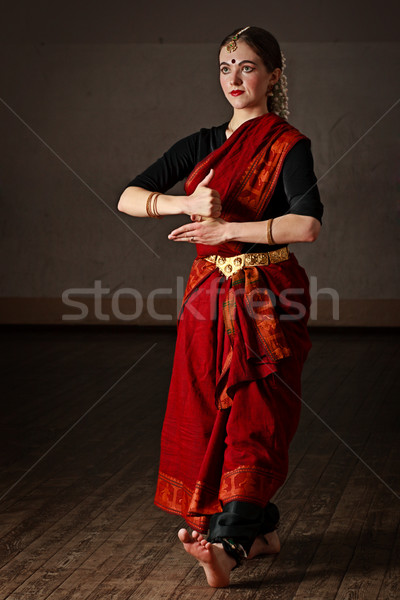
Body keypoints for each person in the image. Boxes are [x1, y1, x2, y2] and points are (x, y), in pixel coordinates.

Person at [118, 25, 323, 588]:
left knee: (255, 412)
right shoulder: (203, 142)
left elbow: (305, 224)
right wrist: (183, 202)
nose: (235, 79)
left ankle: (230, 546)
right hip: (208, 296)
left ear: (274, 75)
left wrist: (226, 226)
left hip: (268, 296)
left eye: (249, 67)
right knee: (211, 411)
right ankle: (260, 523)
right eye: (225, 69)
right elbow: (127, 196)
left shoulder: (287, 145)